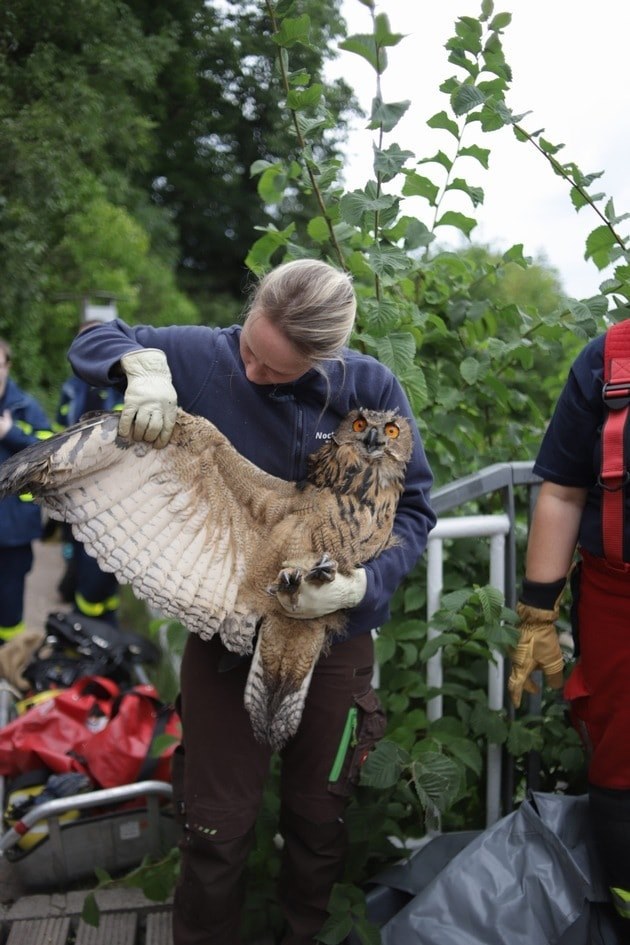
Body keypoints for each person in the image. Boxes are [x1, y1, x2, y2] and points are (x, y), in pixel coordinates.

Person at [67, 258, 436, 945]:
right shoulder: (207, 358)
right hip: (227, 627)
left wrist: (364, 586)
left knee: (318, 821)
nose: (256, 374)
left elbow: (414, 508)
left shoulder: (370, 389)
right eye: (251, 351)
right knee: (214, 824)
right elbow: (95, 337)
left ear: (326, 360)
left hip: (334, 635)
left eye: (278, 368)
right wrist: (137, 366)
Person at [508, 321, 630, 930]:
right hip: (618, 604)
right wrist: (537, 613)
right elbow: (563, 492)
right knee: (619, 761)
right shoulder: (607, 361)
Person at [56, 309, 123, 626]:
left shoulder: (124, 386)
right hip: (73, 490)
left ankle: (100, 624)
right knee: (77, 556)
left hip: (111, 496)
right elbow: (57, 430)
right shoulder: (71, 387)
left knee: (102, 568)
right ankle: (84, 619)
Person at [0, 337, 54, 641]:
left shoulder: (26, 407)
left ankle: (8, 667)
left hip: (14, 529)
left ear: (8, 366)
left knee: (9, 607)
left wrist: (11, 433)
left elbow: (48, 451)